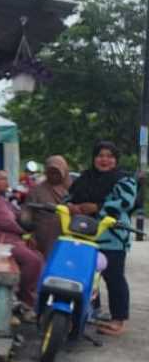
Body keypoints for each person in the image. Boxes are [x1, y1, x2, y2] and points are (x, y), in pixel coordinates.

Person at [67, 141, 139, 336]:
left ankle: (118, 320)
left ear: (116, 160)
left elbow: (124, 202)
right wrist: (71, 207)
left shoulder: (125, 180)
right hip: (81, 232)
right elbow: (69, 197)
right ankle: (90, 311)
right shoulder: (84, 177)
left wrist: (97, 208)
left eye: (109, 156)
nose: (104, 160)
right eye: (100, 155)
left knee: (113, 276)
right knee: (84, 275)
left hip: (111, 236)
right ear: (94, 158)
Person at [0, 169, 44, 313]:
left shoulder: (1, 199)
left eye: (6, 178)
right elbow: (7, 222)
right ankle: (25, 299)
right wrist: (25, 233)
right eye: (1, 179)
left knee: (39, 257)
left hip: (6, 241)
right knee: (33, 261)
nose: (6, 182)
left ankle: (24, 298)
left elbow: (17, 214)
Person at [24, 155, 70, 256]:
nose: (53, 175)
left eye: (57, 172)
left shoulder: (72, 190)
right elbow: (26, 216)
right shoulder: (36, 191)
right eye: (50, 172)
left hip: (68, 237)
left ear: (64, 172)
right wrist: (30, 234)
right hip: (42, 237)